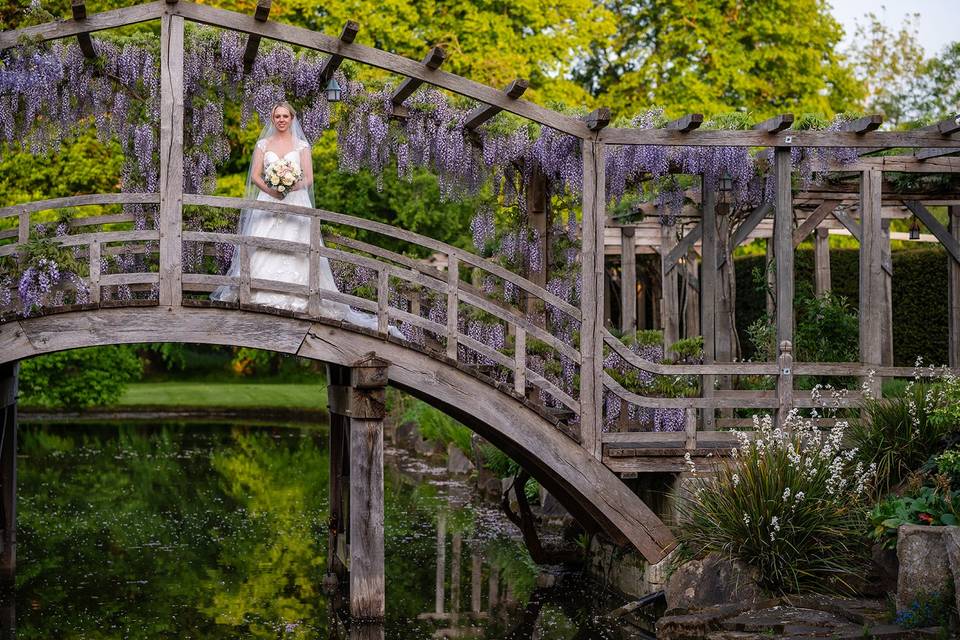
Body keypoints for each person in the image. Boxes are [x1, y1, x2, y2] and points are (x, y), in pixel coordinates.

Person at [212, 102, 403, 338]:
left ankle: (303, 296)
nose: (281, 120)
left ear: (292, 118)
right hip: (269, 200)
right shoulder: (263, 144)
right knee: (263, 242)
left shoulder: (301, 145)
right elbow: (254, 175)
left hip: (295, 199)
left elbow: (309, 178)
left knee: (300, 246)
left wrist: (290, 186)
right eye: (277, 116)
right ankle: (257, 292)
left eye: (285, 116)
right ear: (272, 119)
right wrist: (272, 189)